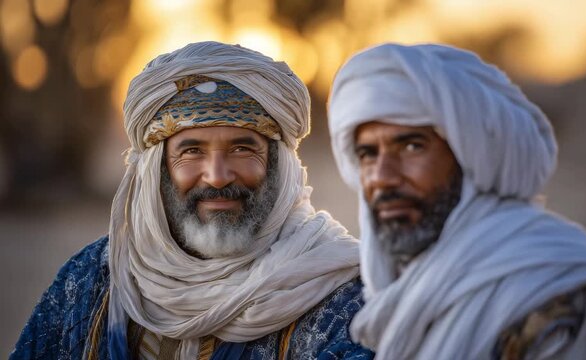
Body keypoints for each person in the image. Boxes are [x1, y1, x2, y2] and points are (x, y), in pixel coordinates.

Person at [11, 41, 374, 360]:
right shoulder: (94, 279)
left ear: (280, 163)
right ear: (157, 169)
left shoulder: (338, 296)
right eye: (192, 151)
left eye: (242, 148)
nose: (217, 175)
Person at [328, 43, 586, 359]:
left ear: (474, 157)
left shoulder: (557, 298)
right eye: (367, 154)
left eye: (411, 147)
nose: (382, 176)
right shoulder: (404, 293)